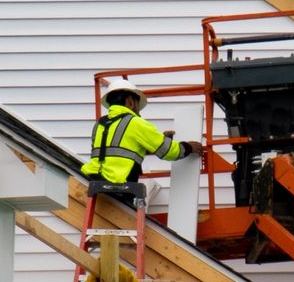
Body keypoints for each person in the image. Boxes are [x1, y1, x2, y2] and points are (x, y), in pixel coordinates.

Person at [80, 78, 202, 209]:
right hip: (120, 185)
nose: (139, 111)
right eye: (138, 105)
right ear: (130, 102)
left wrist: (156, 142)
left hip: (93, 180)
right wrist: (189, 147)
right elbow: (169, 151)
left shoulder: (99, 124)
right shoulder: (135, 122)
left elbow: (118, 149)